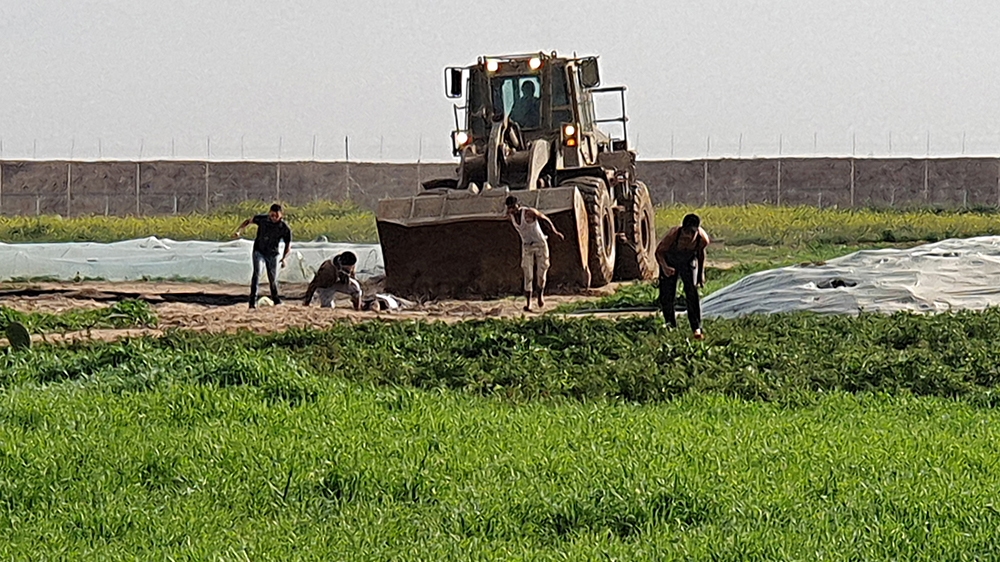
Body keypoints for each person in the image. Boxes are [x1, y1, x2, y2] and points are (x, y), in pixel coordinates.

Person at [654, 213, 710, 340]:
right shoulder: (673, 235)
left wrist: (701, 273)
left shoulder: (702, 239)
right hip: (670, 261)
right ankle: (670, 325)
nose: (687, 237)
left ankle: (696, 327)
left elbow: (700, 255)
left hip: (688, 261)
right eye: (685, 234)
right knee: (667, 295)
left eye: (691, 234)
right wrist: (665, 268)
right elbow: (659, 252)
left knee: (692, 292)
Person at [505, 195, 564, 312]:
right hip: (527, 246)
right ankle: (528, 303)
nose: (513, 210)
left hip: (540, 244)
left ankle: (540, 297)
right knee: (528, 273)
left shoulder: (528, 213)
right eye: (510, 208)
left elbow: (544, 219)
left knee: (541, 273)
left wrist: (555, 232)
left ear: (518, 205)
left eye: (514, 207)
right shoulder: (510, 216)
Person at [234, 203, 292, 309]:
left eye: (276, 216)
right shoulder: (263, 220)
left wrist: (284, 258)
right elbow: (249, 221)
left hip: (273, 254)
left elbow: (288, 245)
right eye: (272, 215)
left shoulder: (284, 227)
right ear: (269, 213)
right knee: (257, 274)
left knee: (272, 278)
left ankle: (276, 299)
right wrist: (239, 230)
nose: (273, 218)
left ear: (281, 216)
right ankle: (252, 301)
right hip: (259, 251)